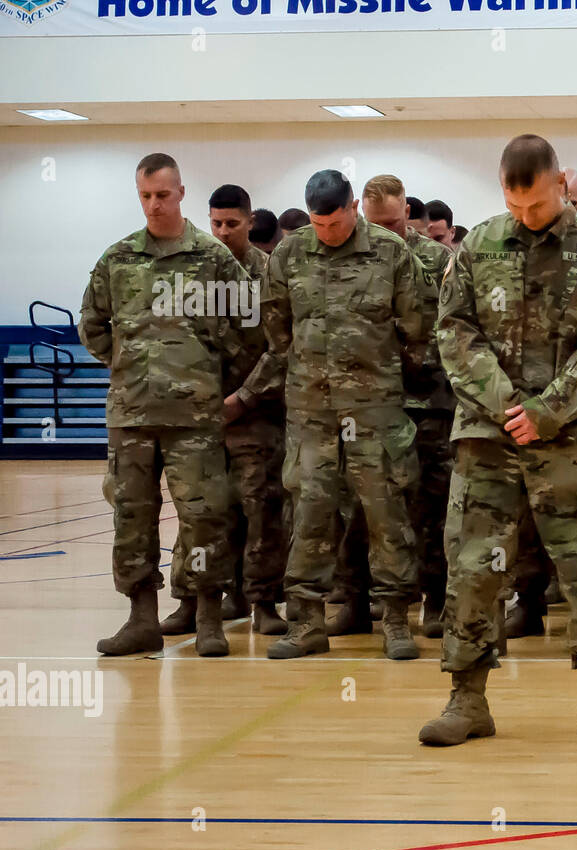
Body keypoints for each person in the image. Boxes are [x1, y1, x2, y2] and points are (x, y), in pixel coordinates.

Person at [420, 134, 577, 747]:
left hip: (569, 438)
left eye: (538, 205)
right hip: (487, 437)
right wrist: (504, 403)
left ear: (561, 185)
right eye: (515, 205)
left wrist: (547, 410)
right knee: (472, 569)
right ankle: (467, 698)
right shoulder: (476, 248)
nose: (526, 217)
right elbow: (454, 331)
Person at [79, 153, 246, 657]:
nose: (154, 204)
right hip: (131, 415)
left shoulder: (213, 259)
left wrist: (207, 378)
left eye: (163, 195)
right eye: (146, 196)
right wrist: (132, 365)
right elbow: (92, 325)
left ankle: (210, 616)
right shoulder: (118, 259)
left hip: (194, 418)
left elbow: (248, 330)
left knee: (203, 515)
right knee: (132, 515)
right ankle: (141, 618)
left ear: (180, 193)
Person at [257, 170, 425, 661]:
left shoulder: (392, 254)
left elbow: (416, 328)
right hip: (311, 410)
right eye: (318, 223)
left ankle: (395, 620)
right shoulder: (289, 255)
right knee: (310, 514)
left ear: (354, 206)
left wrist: (374, 370)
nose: (327, 232)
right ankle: (306, 621)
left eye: (335, 221)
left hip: (375, 409)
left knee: (386, 513)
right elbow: (276, 327)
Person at [162, 185, 289, 638]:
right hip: (200, 414)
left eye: (231, 223)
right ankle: (194, 598)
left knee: (260, 509)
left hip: (255, 414)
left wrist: (244, 399)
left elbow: (280, 348)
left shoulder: (269, 275)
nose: (221, 231)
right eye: (215, 222)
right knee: (198, 511)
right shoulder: (194, 274)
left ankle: (264, 601)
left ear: (250, 221)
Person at [363, 175, 455, 640]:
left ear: (408, 216)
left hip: (432, 403)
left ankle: (435, 599)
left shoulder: (438, 260)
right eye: (375, 224)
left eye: (394, 223)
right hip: (375, 404)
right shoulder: (358, 259)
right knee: (375, 510)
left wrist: (412, 356)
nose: (385, 232)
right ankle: (375, 601)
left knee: (433, 507)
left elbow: (455, 330)